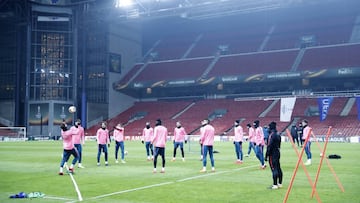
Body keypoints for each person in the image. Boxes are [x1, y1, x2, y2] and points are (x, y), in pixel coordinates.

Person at [265, 121, 283, 189]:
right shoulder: (278, 134)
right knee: (278, 167)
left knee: (274, 168)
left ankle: (275, 185)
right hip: (277, 152)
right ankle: (280, 183)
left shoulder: (271, 135)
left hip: (272, 154)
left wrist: (266, 155)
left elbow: (269, 146)